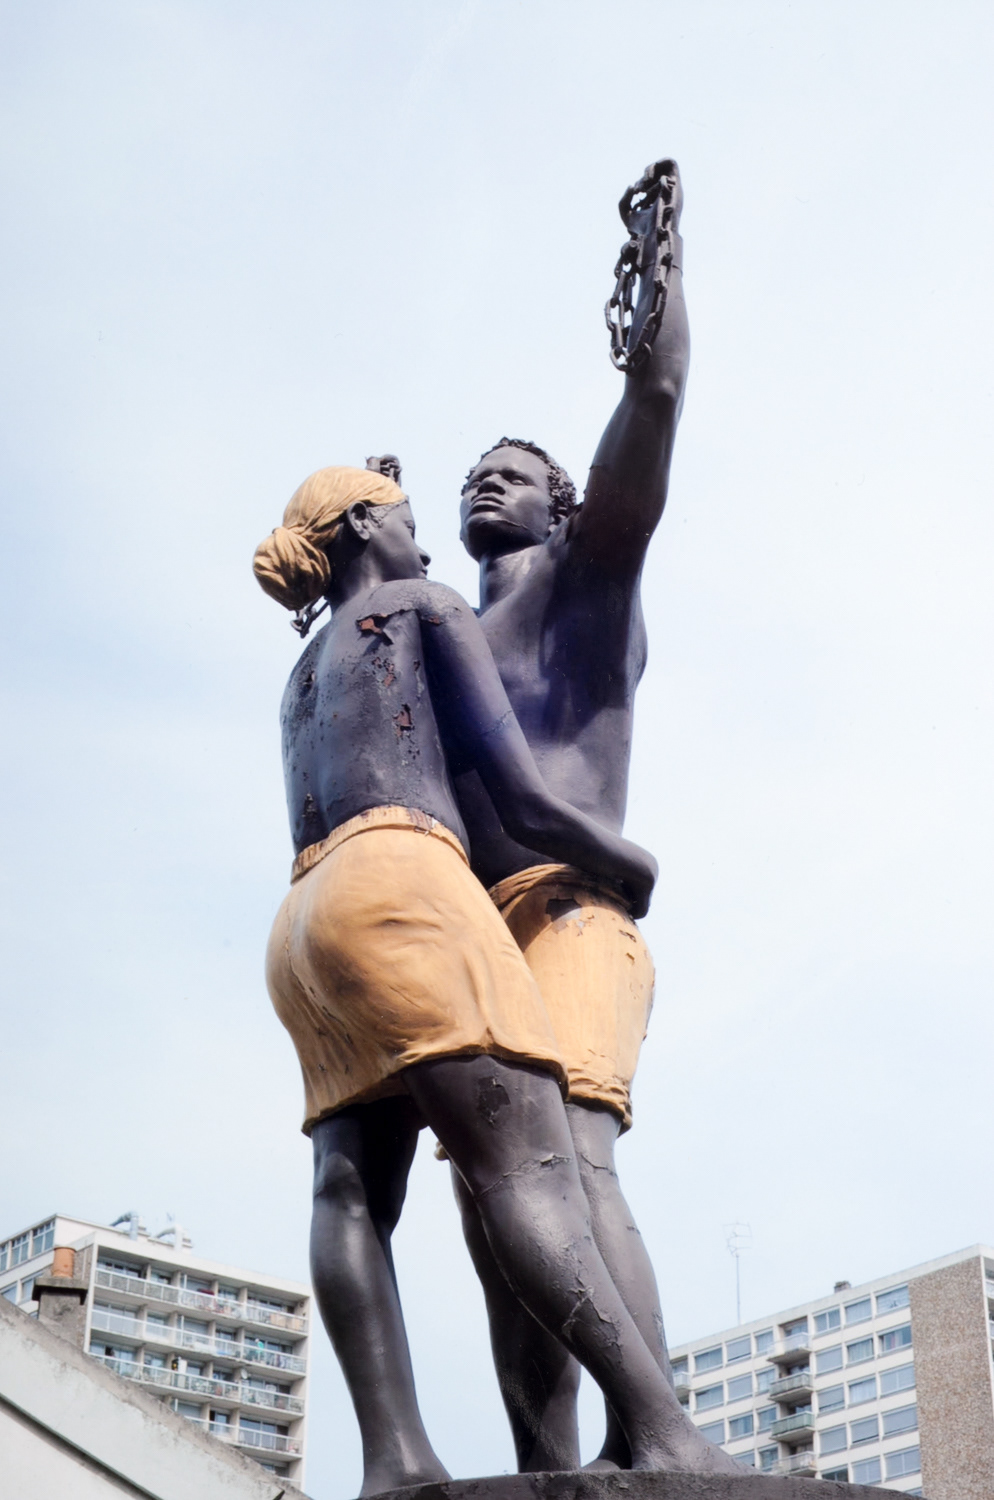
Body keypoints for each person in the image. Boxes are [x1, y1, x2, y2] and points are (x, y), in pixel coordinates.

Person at [253, 464, 730, 1496]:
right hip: (403, 883)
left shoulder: (300, 670)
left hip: (301, 917)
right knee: (529, 1167)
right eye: (409, 522)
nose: (427, 546)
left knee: (348, 1187)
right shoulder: (427, 605)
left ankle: (393, 1460)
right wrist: (630, 862)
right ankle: (661, 1431)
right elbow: (518, 794)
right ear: (367, 525)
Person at [451, 160, 694, 1470]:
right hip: (470, 938)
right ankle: (546, 1470)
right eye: (472, 474)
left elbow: (650, 411)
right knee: (498, 1213)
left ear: (561, 503)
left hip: (571, 914)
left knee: (574, 1162)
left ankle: (651, 1446)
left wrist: (659, 284)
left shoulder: (583, 588)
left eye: (513, 472)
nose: (486, 482)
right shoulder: (440, 635)